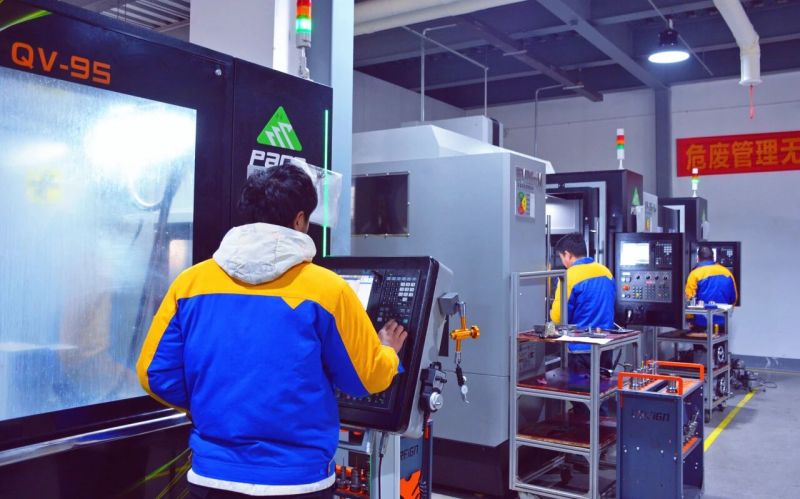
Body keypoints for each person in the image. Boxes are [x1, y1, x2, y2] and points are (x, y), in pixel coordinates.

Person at [136, 162, 407, 499]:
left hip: (213, 476)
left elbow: (153, 373)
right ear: (299, 220)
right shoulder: (327, 290)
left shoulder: (190, 283)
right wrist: (388, 352)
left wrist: (212, 403)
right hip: (297, 480)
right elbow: (366, 379)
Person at [550, 233, 616, 419]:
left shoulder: (570, 276)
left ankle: (588, 434)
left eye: (561, 257)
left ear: (568, 254)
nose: (563, 262)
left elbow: (558, 317)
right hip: (605, 345)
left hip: (581, 348)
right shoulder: (605, 271)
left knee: (582, 398)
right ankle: (602, 429)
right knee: (601, 392)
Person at [685, 245, 738, 330]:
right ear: (713, 257)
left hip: (701, 323)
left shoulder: (695, 274)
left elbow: (689, 299)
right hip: (723, 322)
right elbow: (734, 298)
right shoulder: (727, 272)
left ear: (698, 258)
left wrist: (689, 320)